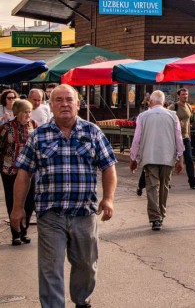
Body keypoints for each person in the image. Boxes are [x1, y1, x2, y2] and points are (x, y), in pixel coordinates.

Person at [11, 84, 117, 308]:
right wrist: (17, 207)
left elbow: (108, 167)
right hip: (51, 215)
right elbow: (24, 173)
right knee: (50, 267)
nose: (64, 104)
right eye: (58, 100)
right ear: (51, 105)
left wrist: (108, 198)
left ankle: (81, 300)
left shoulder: (92, 132)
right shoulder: (38, 136)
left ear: (78, 104)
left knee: (87, 265)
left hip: (84, 213)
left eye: (69, 99)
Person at [129, 90, 184, 231]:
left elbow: (137, 139)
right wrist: (180, 158)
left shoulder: (143, 116)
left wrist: (133, 158)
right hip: (167, 156)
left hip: (149, 157)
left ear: (151, 102)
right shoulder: (173, 116)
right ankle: (161, 214)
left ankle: (155, 219)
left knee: (152, 187)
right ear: (163, 102)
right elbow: (179, 138)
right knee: (164, 185)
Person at [1, 99, 37, 245]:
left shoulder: (34, 125)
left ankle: (24, 230)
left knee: (30, 201)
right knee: (13, 201)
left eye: (29, 112)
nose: (28, 115)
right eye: (25, 112)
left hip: (29, 170)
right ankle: (15, 234)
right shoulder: (7, 127)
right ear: (17, 113)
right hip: (10, 170)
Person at [168, 88, 195, 191]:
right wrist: (177, 122)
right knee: (171, 159)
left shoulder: (188, 106)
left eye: (186, 94)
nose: (185, 96)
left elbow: (188, 122)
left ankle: (192, 181)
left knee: (189, 159)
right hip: (174, 137)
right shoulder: (173, 107)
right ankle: (167, 181)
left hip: (185, 137)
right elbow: (167, 119)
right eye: (183, 94)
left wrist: (188, 134)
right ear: (178, 96)